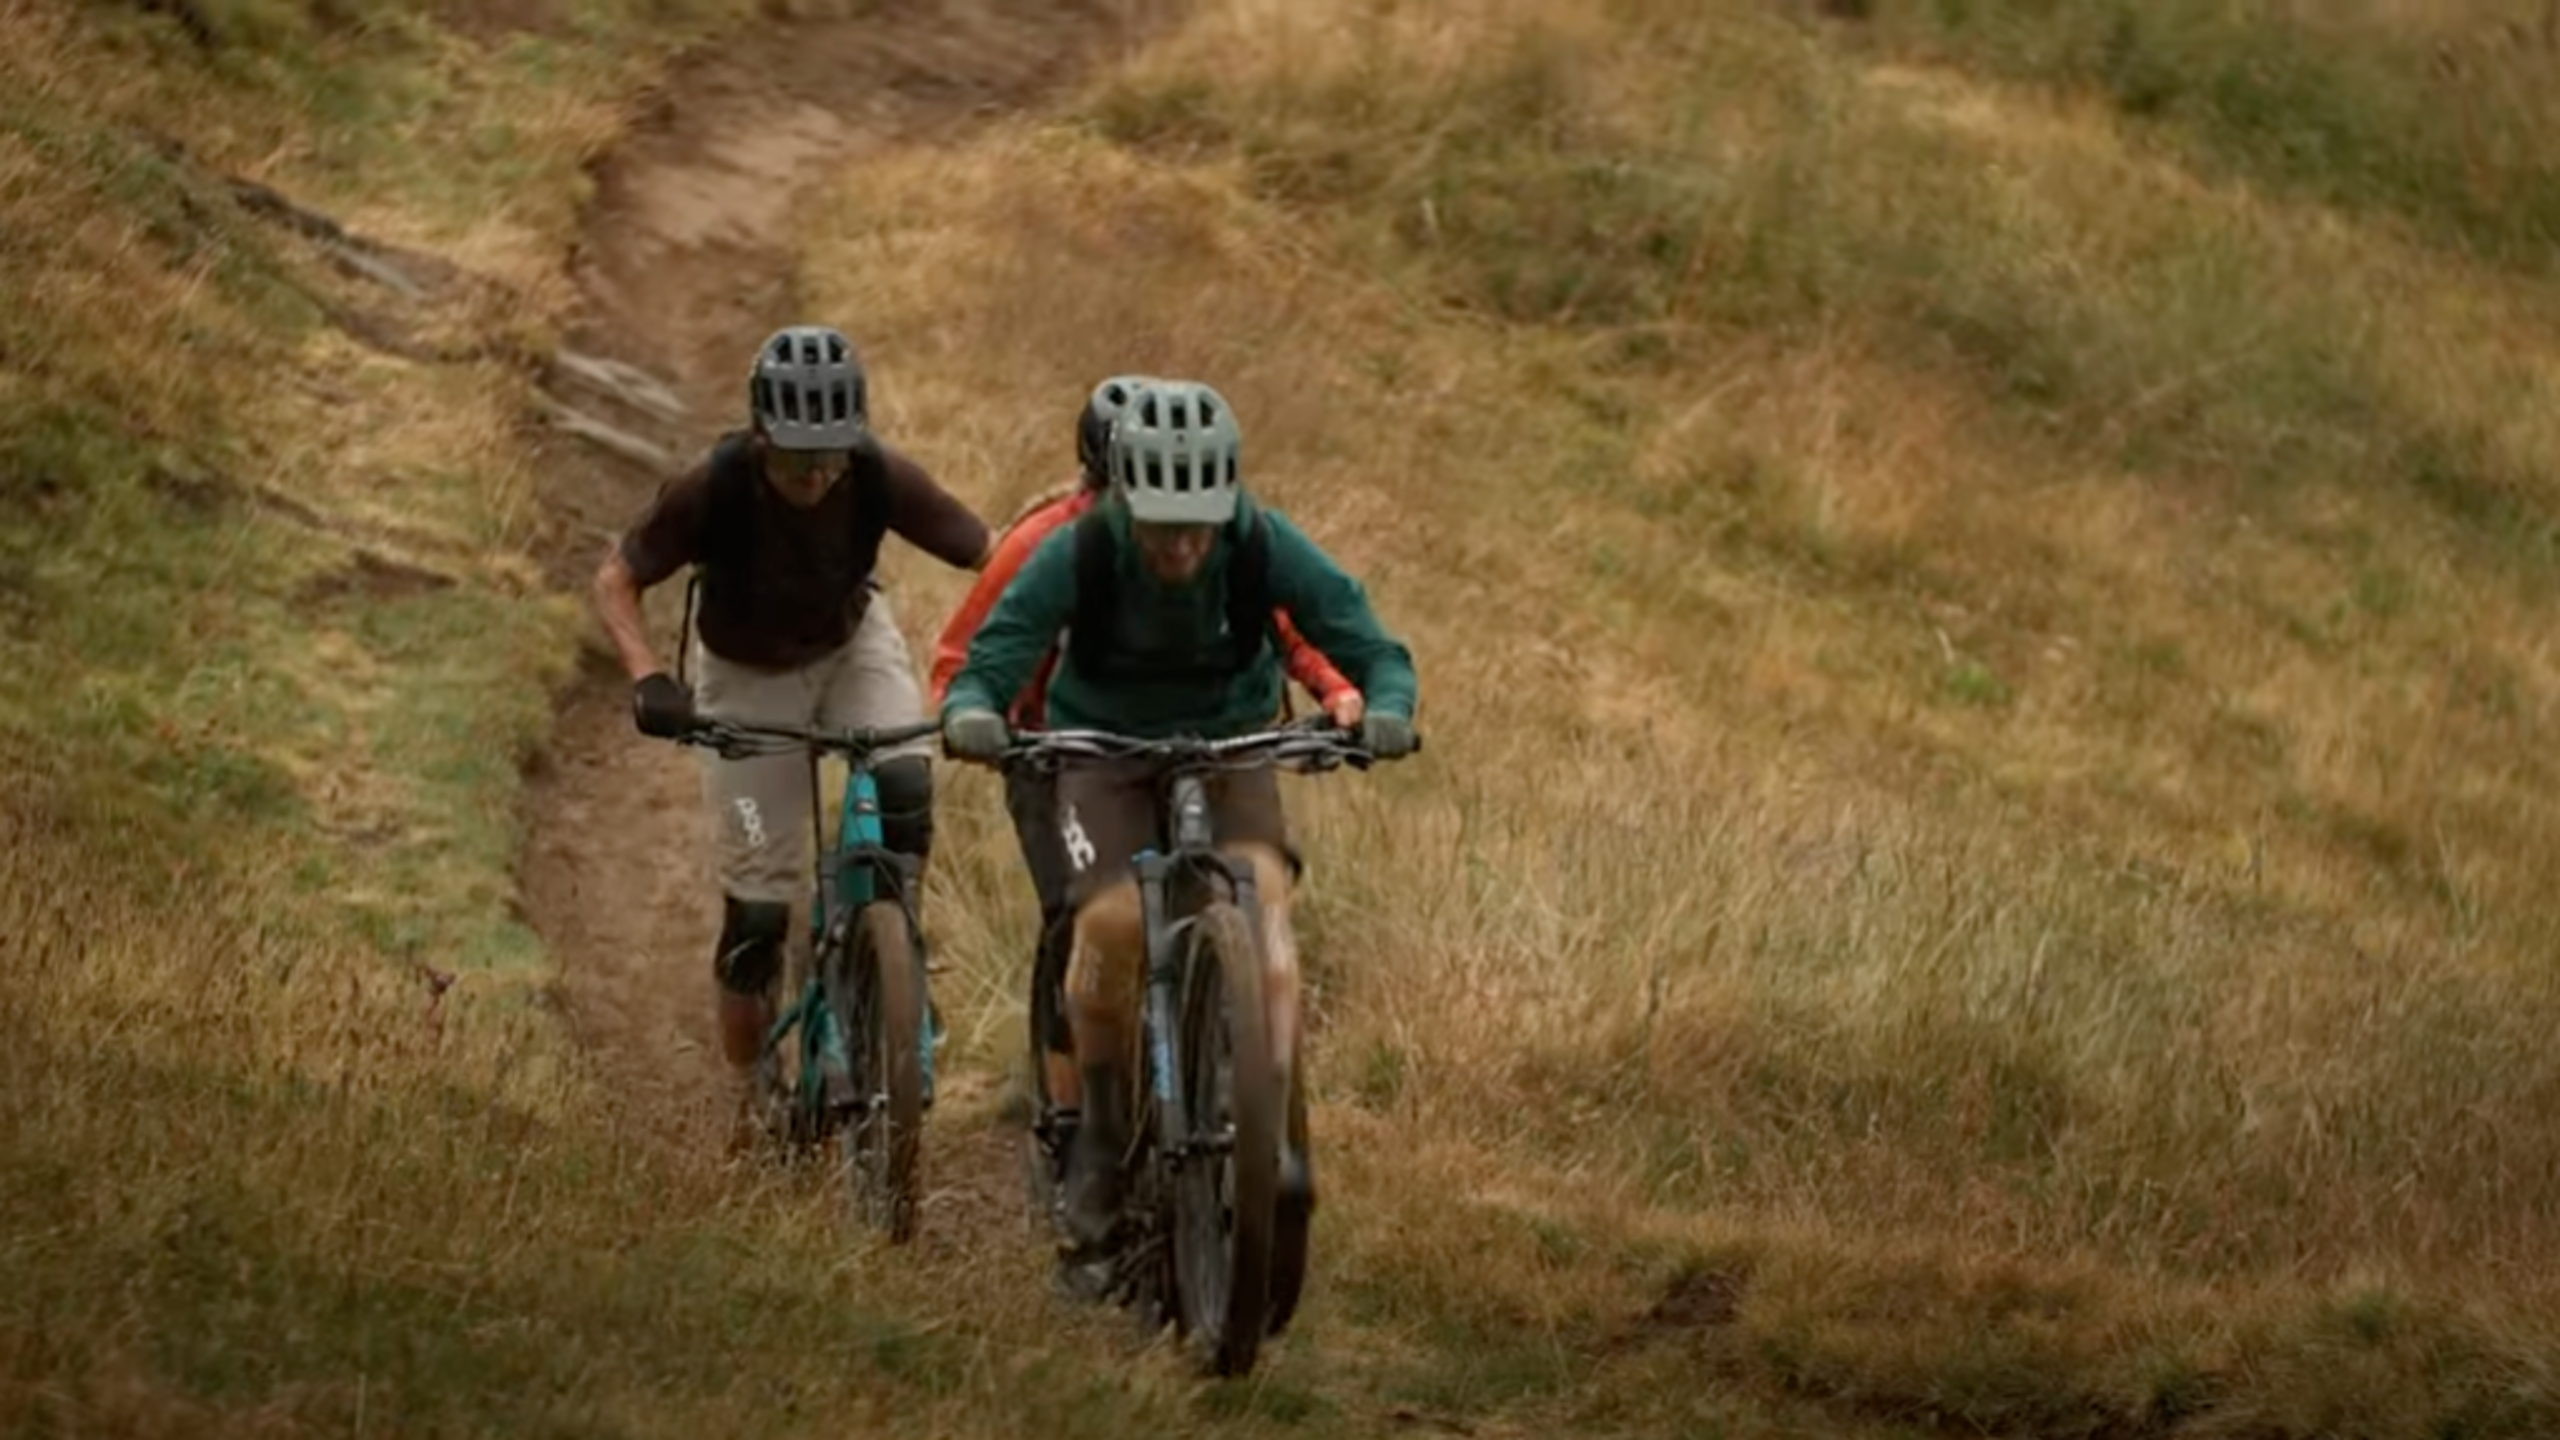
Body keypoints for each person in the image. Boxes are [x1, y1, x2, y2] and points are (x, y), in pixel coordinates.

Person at [938, 377, 1420, 1266]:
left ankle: (1264, 1113)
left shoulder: (1259, 540)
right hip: (1104, 747)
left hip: (1230, 739)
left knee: (1264, 895)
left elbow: (1365, 638)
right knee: (1113, 922)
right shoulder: (1075, 550)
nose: (1183, 547)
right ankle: (1104, 1138)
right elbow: (992, 657)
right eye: (1162, 528)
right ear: (1126, 502)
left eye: (1199, 525)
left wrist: (1385, 701)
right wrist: (973, 711)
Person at [590, 323, 994, 1150]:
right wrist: (648, 678)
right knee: (759, 915)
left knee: (906, 784)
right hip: (744, 676)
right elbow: (617, 579)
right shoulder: (715, 485)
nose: (816, 474)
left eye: (831, 455)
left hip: (852, 646)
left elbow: (988, 552)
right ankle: (749, 1091)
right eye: (797, 457)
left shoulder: (873, 471)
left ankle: (891, 963)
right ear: (762, 437)